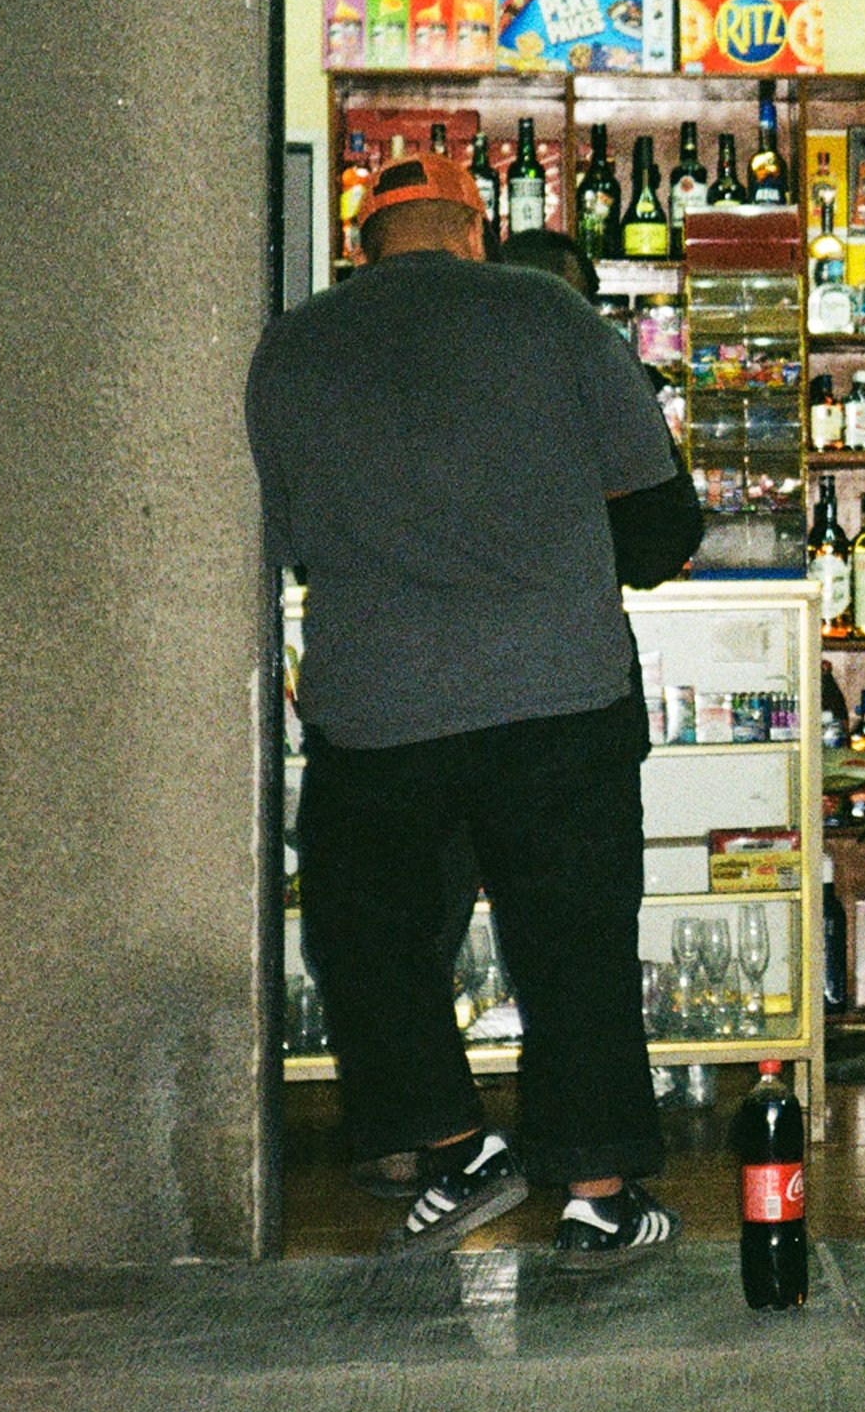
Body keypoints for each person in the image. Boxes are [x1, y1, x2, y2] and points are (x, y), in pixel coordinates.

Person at [247, 148, 701, 1261]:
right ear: (472, 229)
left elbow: (290, 542)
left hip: (376, 710)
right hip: (556, 697)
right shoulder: (550, 315)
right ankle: (598, 1195)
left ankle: (459, 1149)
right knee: (573, 946)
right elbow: (661, 527)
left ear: (363, 245)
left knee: (370, 944)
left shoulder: (289, 347)